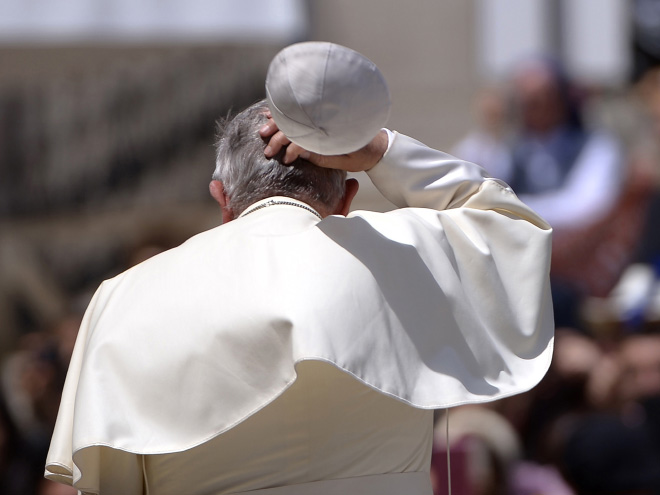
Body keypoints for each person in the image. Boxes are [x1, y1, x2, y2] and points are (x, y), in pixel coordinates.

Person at [44, 43, 554, 495]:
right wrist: (380, 151)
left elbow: (110, 478)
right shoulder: (407, 251)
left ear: (222, 197)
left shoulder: (123, 297)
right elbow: (512, 228)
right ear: (349, 194)